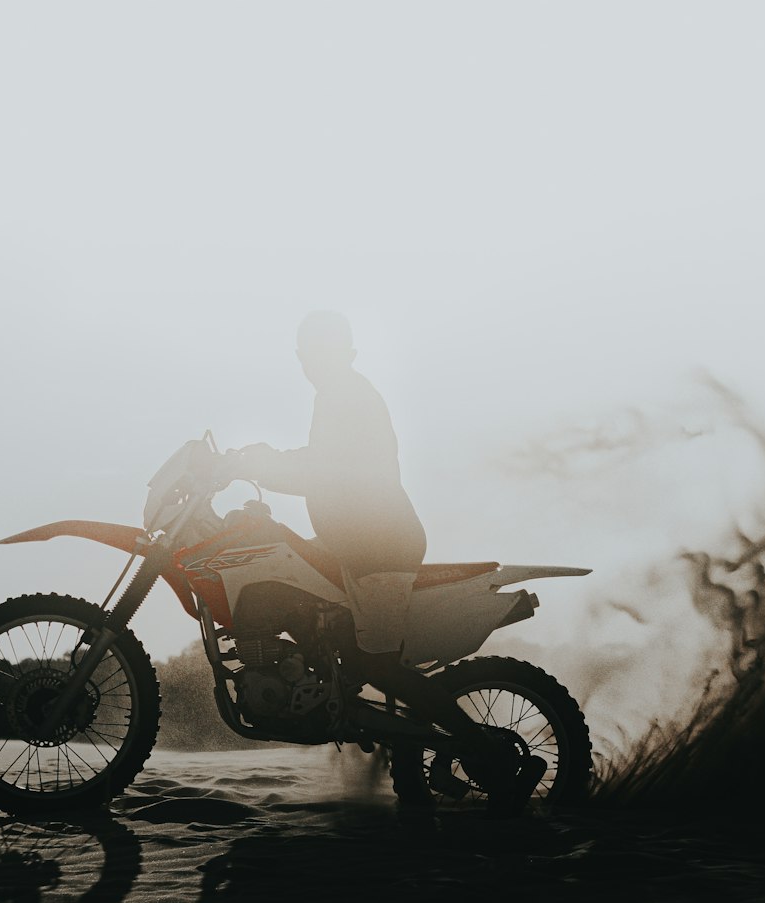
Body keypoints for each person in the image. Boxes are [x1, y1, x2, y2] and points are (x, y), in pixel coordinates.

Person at [225, 310, 539, 813]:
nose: (311, 363)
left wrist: (260, 463)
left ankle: (474, 746)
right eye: (307, 355)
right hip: (352, 543)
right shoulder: (335, 393)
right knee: (287, 587)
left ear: (341, 354)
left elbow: (326, 469)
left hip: (378, 547)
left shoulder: (348, 396)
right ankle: (324, 691)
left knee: (377, 663)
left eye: (319, 353)